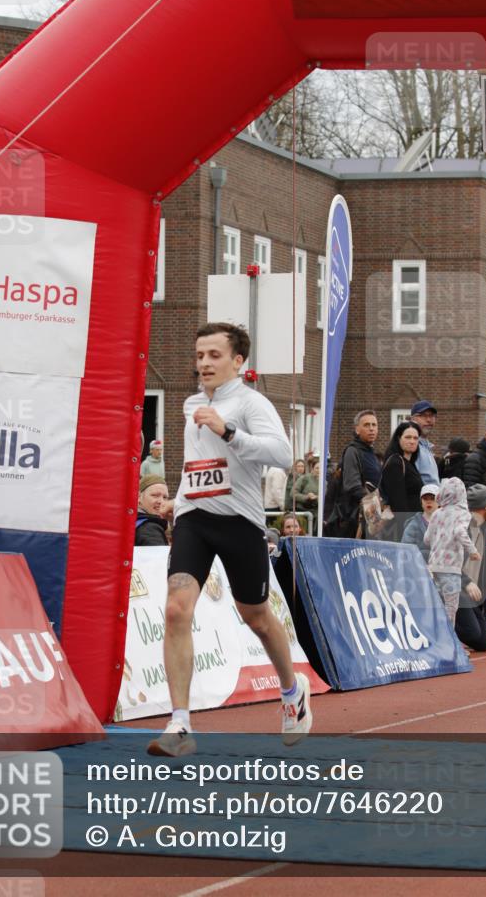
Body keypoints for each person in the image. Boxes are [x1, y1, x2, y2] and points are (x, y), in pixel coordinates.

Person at [148, 322, 311, 757]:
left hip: (240, 521)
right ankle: (180, 724)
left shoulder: (251, 403)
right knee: (175, 608)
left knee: (255, 616)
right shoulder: (190, 403)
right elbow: (195, 464)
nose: (204, 363)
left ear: (238, 362)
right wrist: (177, 501)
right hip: (195, 519)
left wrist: (228, 431)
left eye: (214, 355)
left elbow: (281, 455)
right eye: (199, 355)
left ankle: (293, 691)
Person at [425, 477, 480, 627]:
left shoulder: (437, 513)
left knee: (435, 605)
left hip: (434, 566)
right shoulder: (463, 514)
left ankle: (435, 639)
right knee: (450, 608)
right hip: (451, 568)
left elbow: (427, 538)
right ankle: (450, 643)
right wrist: (473, 551)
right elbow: (460, 532)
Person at [454, 485, 486, 651]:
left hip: (470, 594)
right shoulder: (461, 527)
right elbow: (448, 562)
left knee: (483, 643)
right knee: (472, 634)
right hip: (455, 588)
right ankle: (443, 627)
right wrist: (466, 582)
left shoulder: (484, 528)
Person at [325, 410, 381, 538]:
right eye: (366, 425)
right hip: (353, 519)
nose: (371, 429)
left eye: (374, 425)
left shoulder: (371, 454)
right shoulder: (352, 451)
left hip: (369, 516)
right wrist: (374, 502)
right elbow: (352, 486)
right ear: (357, 429)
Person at [379, 420, 424, 539]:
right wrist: (410, 530)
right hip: (401, 530)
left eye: (415, 438)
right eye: (408, 437)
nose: (412, 441)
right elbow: (398, 502)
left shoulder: (409, 464)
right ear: (399, 439)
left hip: (411, 526)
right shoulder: (396, 463)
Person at [401, 483, 439, 563]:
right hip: (419, 569)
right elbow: (405, 550)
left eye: (432, 498)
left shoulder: (445, 523)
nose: (429, 501)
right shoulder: (413, 525)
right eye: (425, 498)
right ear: (421, 502)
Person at [410, 400, 440, 485]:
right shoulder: (412, 447)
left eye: (432, 416)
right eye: (423, 416)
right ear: (413, 419)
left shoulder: (427, 448)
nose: (429, 420)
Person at [135, 475, 170, 546]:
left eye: (165, 497)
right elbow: (159, 556)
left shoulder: (133, 523)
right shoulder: (149, 528)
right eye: (155, 495)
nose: (161, 501)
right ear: (138, 497)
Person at [293, 460, 320, 534]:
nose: (319, 470)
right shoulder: (304, 478)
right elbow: (293, 494)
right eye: (317, 468)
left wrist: (317, 498)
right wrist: (306, 497)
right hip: (304, 513)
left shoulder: (325, 482)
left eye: (321, 468)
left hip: (317, 516)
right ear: (312, 469)